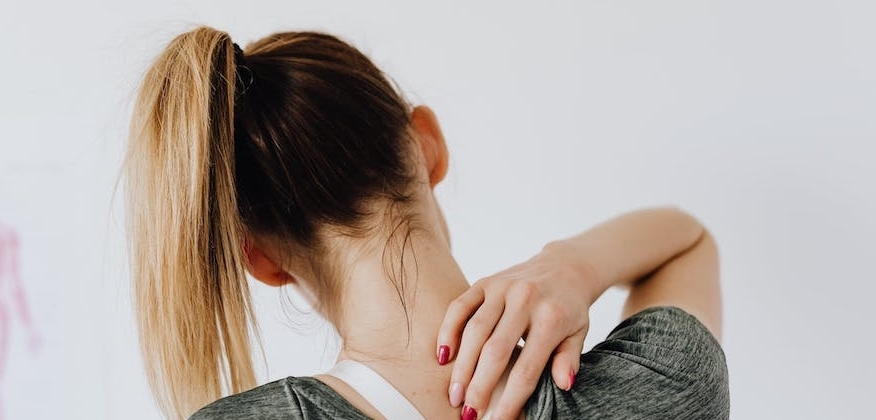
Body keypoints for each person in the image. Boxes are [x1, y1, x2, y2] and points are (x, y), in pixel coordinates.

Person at [124, 26, 729, 420]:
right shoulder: (657, 387)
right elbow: (686, 239)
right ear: (427, 144)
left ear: (260, 259)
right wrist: (573, 266)